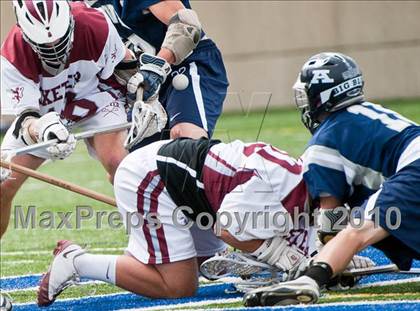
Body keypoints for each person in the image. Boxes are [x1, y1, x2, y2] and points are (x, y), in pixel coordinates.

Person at [37, 137, 318, 306]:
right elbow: (227, 227)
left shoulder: (303, 186)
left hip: (196, 197)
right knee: (178, 286)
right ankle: (76, 261)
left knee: (206, 265)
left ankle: (253, 263)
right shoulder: (283, 185)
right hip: (153, 178)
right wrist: (282, 254)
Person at [242, 52, 420, 306]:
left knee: (360, 228)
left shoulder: (326, 140)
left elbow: (332, 220)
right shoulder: (371, 112)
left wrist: (327, 259)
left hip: (415, 169)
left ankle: (309, 280)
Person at [0, 0, 132, 238]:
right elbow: (25, 119)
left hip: (96, 99)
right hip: (43, 116)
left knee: (122, 166)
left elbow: (125, 66)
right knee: (2, 186)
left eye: (59, 40)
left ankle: (153, 246)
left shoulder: (96, 23)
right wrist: (43, 129)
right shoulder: (11, 55)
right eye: (44, 44)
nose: (53, 47)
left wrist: (144, 97)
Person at [86, 0, 229, 146]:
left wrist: (155, 68)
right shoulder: (71, 7)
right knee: (135, 163)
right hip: (138, 82)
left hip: (184, 63)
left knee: (185, 139)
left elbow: (186, 25)